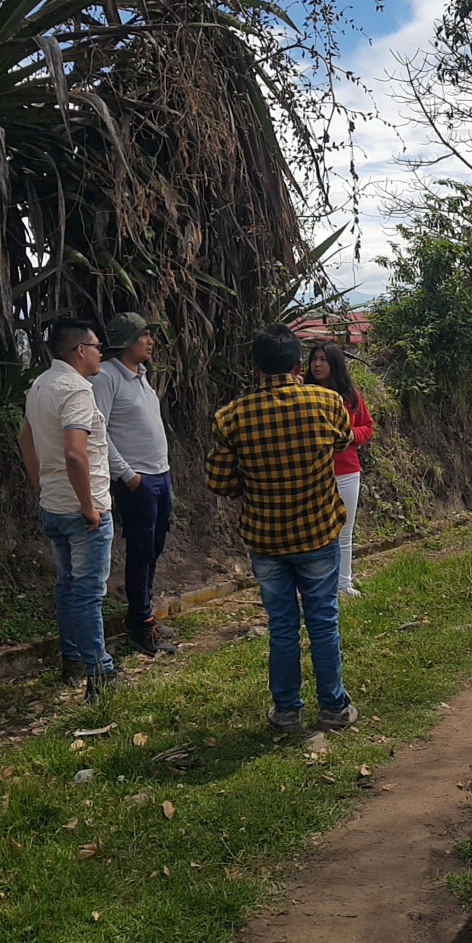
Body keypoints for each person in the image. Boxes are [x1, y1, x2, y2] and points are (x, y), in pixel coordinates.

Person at [205, 324, 358, 734]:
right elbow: (344, 442)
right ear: (298, 366)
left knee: (283, 626)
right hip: (318, 533)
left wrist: (251, 482)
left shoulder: (231, 417)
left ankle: (288, 711)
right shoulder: (326, 402)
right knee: (323, 621)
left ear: (256, 368)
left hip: (267, 540)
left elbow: (219, 482)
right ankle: (334, 708)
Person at [20, 318, 117, 702]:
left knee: (68, 587)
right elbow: (76, 454)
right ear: (80, 351)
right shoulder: (76, 391)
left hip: (54, 505)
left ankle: (73, 659)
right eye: (96, 347)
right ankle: (100, 672)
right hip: (82, 511)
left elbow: (26, 440)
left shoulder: (39, 386)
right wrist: (89, 506)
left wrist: (41, 485)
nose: (100, 354)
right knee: (88, 593)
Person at [92, 312, 179, 658]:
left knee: (154, 547)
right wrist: (128, 475)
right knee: (141, 550)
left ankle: (142, 613)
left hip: (160, 474)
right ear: (127, 341)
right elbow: (98, 431)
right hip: (137, 480)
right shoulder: (106, 377)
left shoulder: (141, 376)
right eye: (144, 336)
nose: (151, 342)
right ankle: (142, 624)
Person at [307, 342, 374, 598]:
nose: (318, 364)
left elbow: (367, 427)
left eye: (324, 359)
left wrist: (350, 435)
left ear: (335, 364)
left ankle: (343, 583)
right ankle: (317, 585)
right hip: (314, 471)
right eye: (314, 359)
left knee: (344, 531)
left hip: (346, 471)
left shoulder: (350, 396)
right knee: (315, 530)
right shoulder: (305, 394)